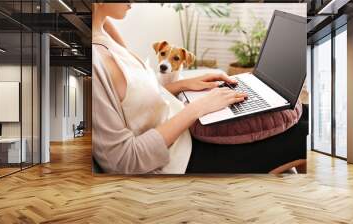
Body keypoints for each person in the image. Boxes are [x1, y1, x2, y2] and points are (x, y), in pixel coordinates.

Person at [92, 3, 247, 174]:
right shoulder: (95, 63)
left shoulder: (104, 30)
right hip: (175, 162)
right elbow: (123, 161)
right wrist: (198, 108)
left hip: (184, 133)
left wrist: (185, 84)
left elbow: (137, 92)